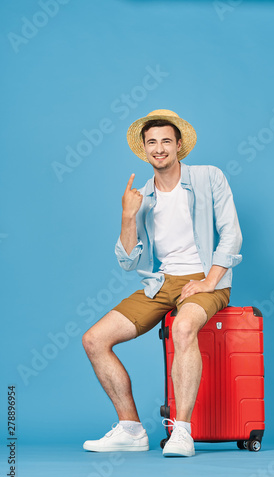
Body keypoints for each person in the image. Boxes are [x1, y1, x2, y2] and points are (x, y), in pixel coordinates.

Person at [82, 109, 242, 457]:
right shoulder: (141, 197)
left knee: (183, 328)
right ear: (144, 148)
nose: (159, 148)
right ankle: (131, 428)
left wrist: (209, 281)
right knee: (94, 340)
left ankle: (181, 432)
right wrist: (127, 215)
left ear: (179, 145)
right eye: (152, 142)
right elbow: (128, 262)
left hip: (205, 279)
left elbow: (231, 233)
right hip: (162, 284)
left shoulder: (208, 177)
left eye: (166, 141)